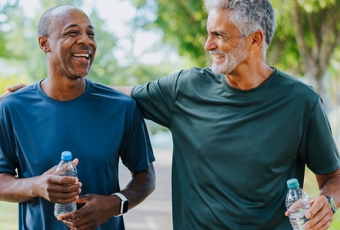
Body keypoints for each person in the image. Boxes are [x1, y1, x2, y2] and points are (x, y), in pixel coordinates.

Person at [2, 0, 340, 229]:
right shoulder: (186, 88)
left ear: (255, 40)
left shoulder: (301, 102)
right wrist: (45, 89)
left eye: (218, 35)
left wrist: (329, 202)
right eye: (208, 33)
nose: (208, 44)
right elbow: (117, 95)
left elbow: (334, 177)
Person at [0, 5, 155, 230]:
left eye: (90, 34)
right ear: (44, 43)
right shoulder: (12, 108)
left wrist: (114, 204)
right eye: (72, 33)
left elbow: (146, 175)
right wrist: (38, 186)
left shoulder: (122, 108)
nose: (86, 41)